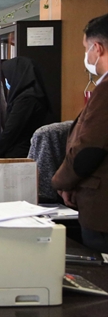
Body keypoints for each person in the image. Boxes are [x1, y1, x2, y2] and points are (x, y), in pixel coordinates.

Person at [52, 13, 108, 253]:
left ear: (97, 48)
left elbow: (89, 148)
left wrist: (61, 182)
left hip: (101, 208)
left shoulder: (105, 90)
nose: (86, 55)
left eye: (86, 48)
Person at [0, 57, 52, 158]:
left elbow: (11, 131)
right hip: (26, 151)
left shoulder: (26, 99)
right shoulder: (33, 95)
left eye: (8, 76)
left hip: (20, 155)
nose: (7, 80)